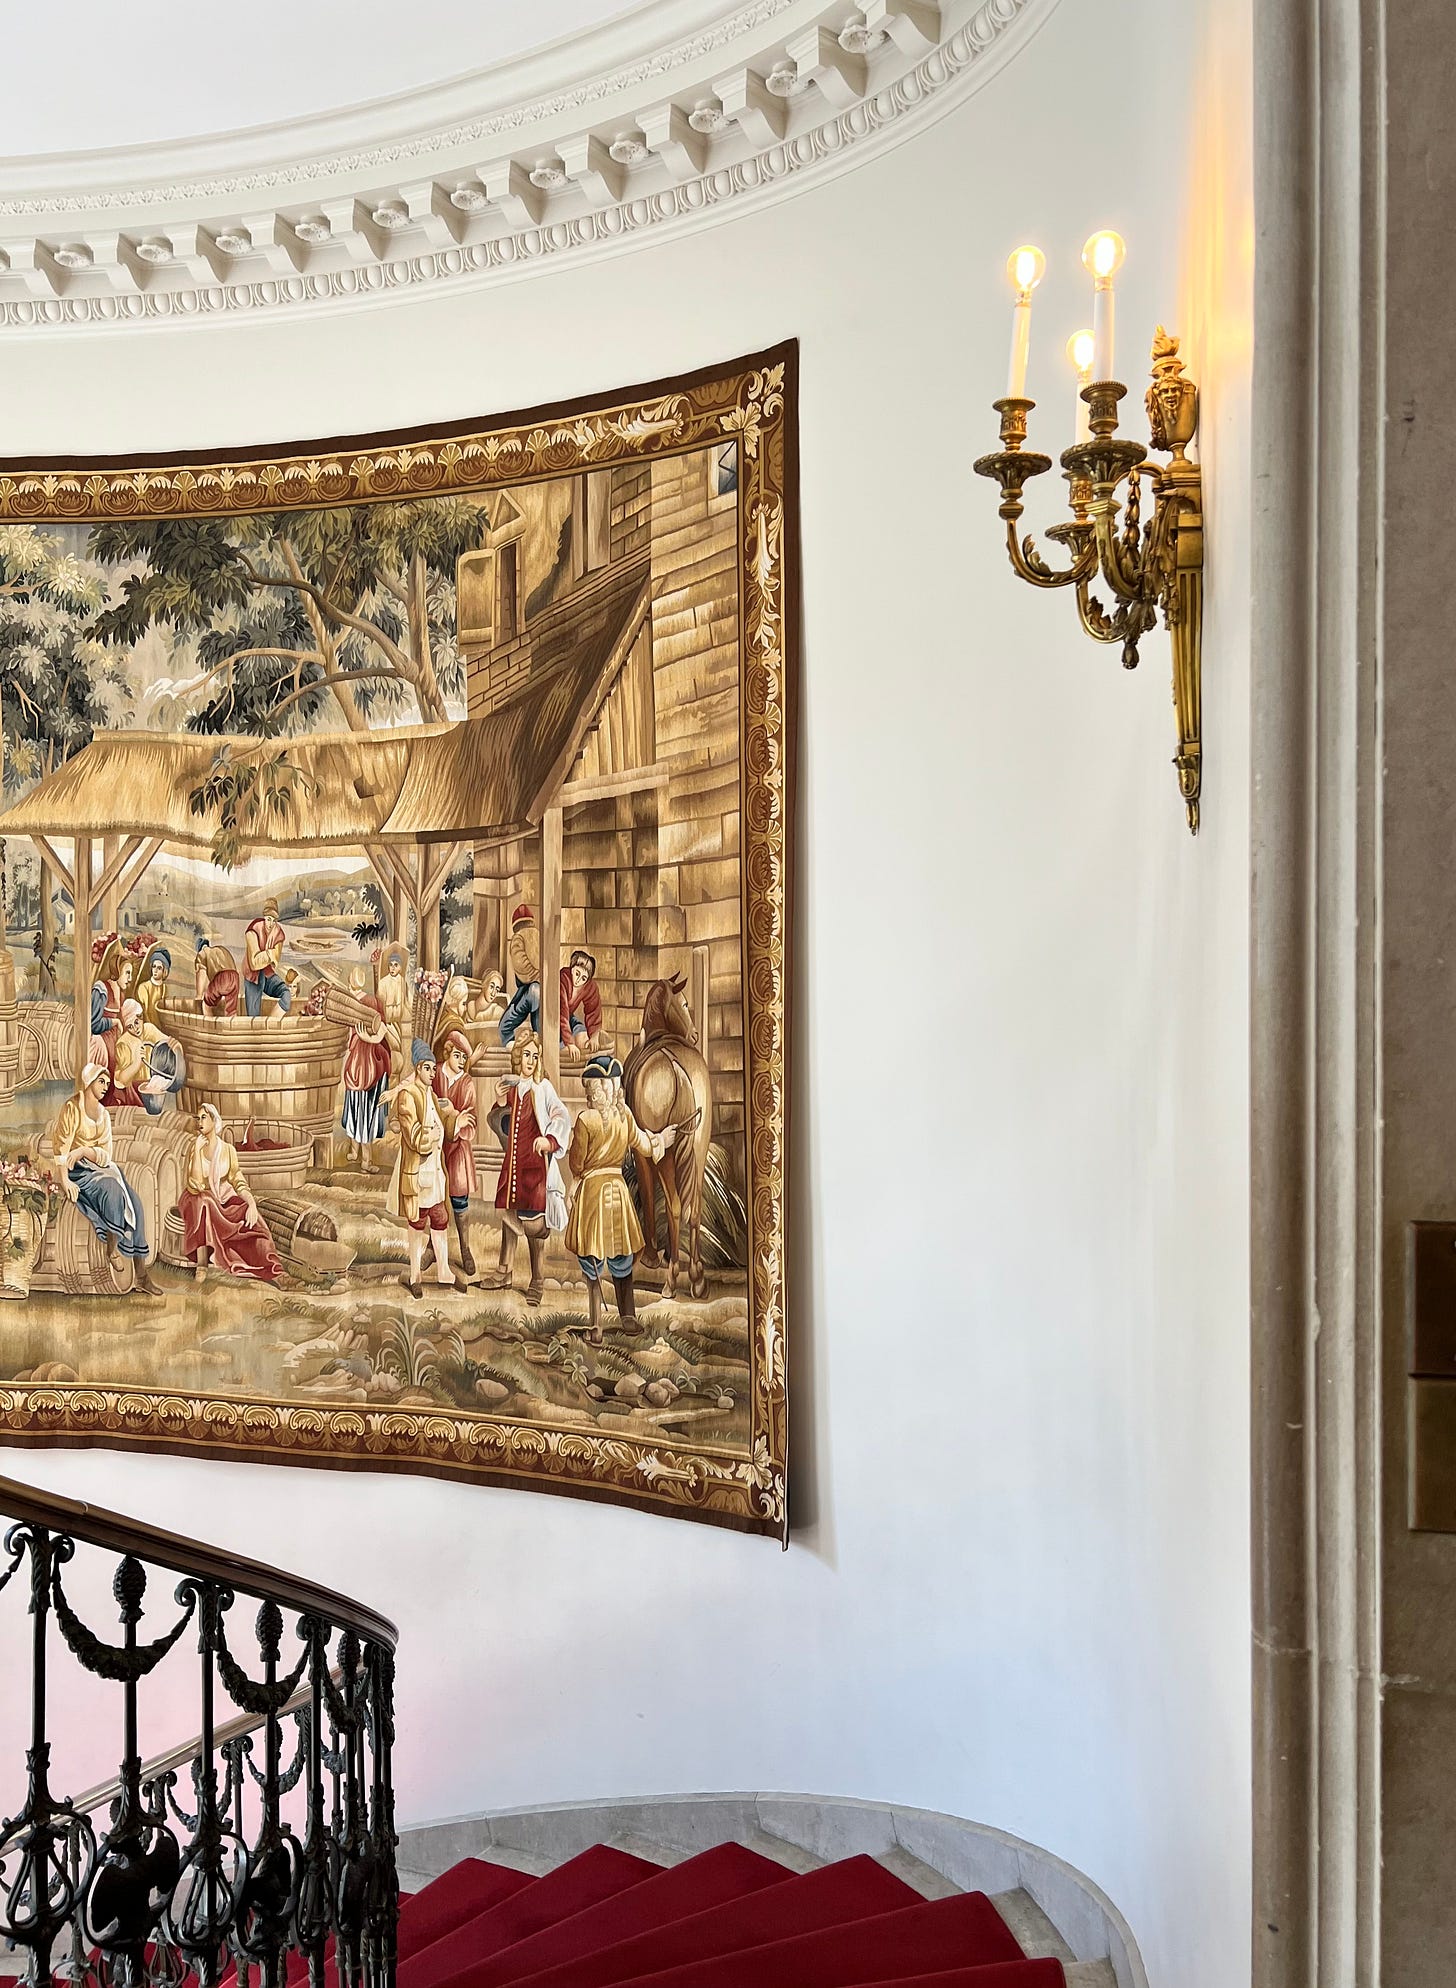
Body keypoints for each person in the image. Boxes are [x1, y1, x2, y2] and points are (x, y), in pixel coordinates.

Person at [565, 1053, 676, 1342]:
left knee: (592, 1255)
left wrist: (575, 1179)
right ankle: (628, 1317)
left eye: (591, 1088)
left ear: (599, 1089)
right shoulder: (624, 1115)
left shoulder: (585, 1120)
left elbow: (576, 1163)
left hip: (592, 1194)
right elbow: (644, 1144)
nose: (590, 1093)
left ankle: (596, 1326)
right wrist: (661, 1139)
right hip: (617, 1192)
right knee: (620, 1253)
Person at [48, 1063, 161, 1295]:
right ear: (89, 1081)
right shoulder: (72, 1108)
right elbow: (61, 1148)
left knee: (136, 1204)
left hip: (98, 1167)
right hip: (76, 1171)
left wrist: (85, 1151)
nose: (105, 1087)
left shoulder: (103, 1115)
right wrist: (65, 1180)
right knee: (111, 1189)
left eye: (107, 1083)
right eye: (101, 1081)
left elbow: (106, 1154)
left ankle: (141, 1275)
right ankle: (111, 1248)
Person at [481, 1031, 569, 1306]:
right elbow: (503, 1125)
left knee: (533, 1224)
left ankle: (537, 1279)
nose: (530, 1060)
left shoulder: (543, 1088)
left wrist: (549, 1140)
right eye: (526, 1055)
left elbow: (561, 1115)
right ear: (518, 1057)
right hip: (514, 1164)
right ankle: (504, 1271)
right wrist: (501, 1103)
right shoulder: (513, 1088)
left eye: (535, 1056)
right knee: (510, 1216)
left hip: (534, 1167)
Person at [178, 1103, 283, 1283]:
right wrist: (197, 1149)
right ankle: (202, 1263)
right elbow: (195, 1185)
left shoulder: (227, 1150)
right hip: (195, 1200)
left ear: (214, 1121)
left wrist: (251, 1204)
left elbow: (238, 1180)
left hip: (223, 1199)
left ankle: (273, 1268)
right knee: (204, 1200)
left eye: (204, 1117)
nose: (199, 1122)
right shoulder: (194, 1148)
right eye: (198, 1118)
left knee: (252, 1217)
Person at [387, 1039, 459, 1298]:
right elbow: (412, 1134)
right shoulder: (408, 1096)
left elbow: (441, 1123)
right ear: (417, 1068)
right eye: (427, 1068)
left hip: (435, 1172)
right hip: (417, 1171)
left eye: (433, 1069)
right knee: (417, 1220)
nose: (432, 1073)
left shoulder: (430, 1094)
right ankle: (415, 1274)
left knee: (440, 1217)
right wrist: (429, 1136)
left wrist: (455, 1120)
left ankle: (444, 1272)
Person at [433, 1030, 480, 1276]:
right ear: (448, 1052)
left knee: (459, 1199)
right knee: (434, 1197)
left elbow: (470, 1121)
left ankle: (465, 1247)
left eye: (464, 1057)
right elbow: (429, 1102)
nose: (461, 1061)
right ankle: (432, 1247)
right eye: (457, 1055)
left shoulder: (467, 1083)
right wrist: (452, 1115)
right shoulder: (436, 1074)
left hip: (459, 1149)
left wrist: (456, 1118)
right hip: (435, 1145)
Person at [340, 968, 390, 1172]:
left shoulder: (369, 1002)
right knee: (356, 1106)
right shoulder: (350, 1002)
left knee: (364, 1109)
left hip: (368, 1062)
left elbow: (382, 1031)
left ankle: (366, 1160)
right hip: (358, 1062)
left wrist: (366, 1038)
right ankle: (355, 1153)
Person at [110, 999, 182, 1115]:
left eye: (136, 1022)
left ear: (141, 1017)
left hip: (152, 1085)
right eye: (130, 1026)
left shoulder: (149, 1029)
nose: (135, 1029)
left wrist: (176, 1046)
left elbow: (168, 1042)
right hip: (133, 1091)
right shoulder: (123, 1043)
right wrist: (136, 1063)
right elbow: (121, 1080)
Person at [498, 904, 541, 1046]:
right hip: (542, 988)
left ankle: (512, 1049)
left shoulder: (518, 937)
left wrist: (533, 975)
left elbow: (520, 965)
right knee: (539, 1030)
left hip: (531, 989)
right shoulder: (538, 934)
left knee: (504, 1027)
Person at [243, 898, 291, 1016]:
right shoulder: (253, 930)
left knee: (286, 994)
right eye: (269, 919)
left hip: (268, 974)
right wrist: (270, 954)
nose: (271, 924)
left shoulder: (278, 933)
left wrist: (264, 956)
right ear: (264, 917)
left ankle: (271, 1023)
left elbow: (276, 960)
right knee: (253, 1016)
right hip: (253, 977)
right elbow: (254, 964)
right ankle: (260, 1025)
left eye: (274, 920)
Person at [376, 943, 412, 1084]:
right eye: (390, 965)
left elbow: (407, 1002)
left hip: (398, 1023)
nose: (392, 968)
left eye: (396, 965)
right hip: (388, 1022)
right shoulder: (383, 983)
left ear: (400, 967)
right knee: (393, 1053)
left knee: (401, 1053)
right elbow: (380, 1004)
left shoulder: (402, 982)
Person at [559, 949, 604, 1057]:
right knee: (564, 1048)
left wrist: (594, 1035)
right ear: (572, 969)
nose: (578, 980)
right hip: (554, 1018)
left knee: (583, 1039)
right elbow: (562, 1013)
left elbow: (593, 1010)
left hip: (569, 1017)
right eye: (577, 973)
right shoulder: (562, 979)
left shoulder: (590, 987)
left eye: (583, 978)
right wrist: (570, 1043)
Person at [194, 939, 241, 1017]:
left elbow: (201, 975)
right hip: (235, 977)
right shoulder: (220, 949)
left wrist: (199, 995)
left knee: (207, 1004)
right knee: (231, 1010)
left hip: (222, 977)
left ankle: (209, 1024)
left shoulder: (202, 953)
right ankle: (231, 1023)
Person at [136, 944, 172, 1029]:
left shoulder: (164, 988)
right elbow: (145, 1012)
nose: (155, 970)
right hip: (147, 1027)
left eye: (159, 968)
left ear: (164, 971)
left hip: (161, 1028)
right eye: (154, 966)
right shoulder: (143, 987)